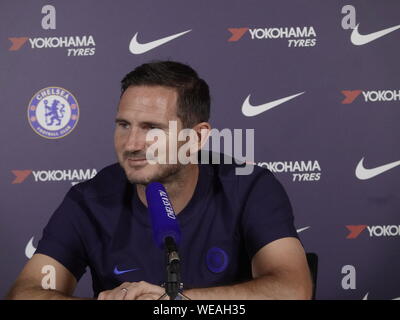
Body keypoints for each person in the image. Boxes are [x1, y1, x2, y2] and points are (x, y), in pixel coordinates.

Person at [6, 61, 312, 300]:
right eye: (124, 125)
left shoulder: (248, 187)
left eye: (152, 128)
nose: (131, 144)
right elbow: (26, 291)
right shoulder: (90, 199)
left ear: (197, 137)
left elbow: (292, 289)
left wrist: (175, 302)